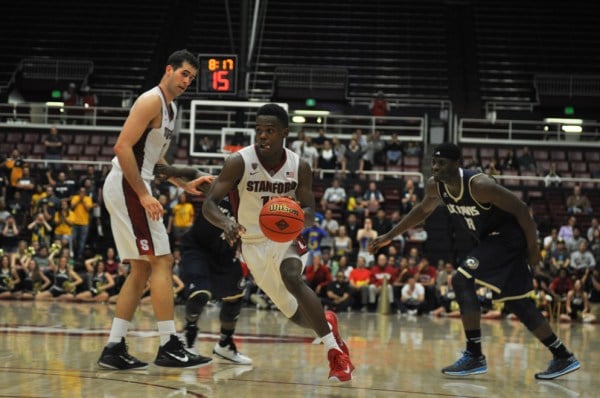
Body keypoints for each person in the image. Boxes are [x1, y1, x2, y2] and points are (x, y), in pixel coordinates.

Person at [369, 142, 580, 380]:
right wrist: (389, 236)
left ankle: (474, 354)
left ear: (458, 163)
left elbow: (521, 209)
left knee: (460, 279)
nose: (436, 168)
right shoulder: (435, 187)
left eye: (442, 163)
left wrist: (534, 251)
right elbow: (421, 211)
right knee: (519, 305)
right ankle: (562, 355)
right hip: (491, 243)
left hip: (508, 239)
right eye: (434, 163)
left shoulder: (479, 185)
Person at [202, 103, 354, 382]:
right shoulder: (239, 161)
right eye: (258, 130)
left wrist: (295, 215)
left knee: (292, 277)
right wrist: (226, 223)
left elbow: (310, 212)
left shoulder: (300, 166)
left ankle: (335, 353)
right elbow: (209, 203)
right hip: (252, 243)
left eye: (269, 131)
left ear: (285, 132)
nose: (262, 136)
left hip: (286, 236)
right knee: (296, 316)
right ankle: (327, 321)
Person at [97, 49, 212, 370]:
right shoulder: (151, 100)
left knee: (142, 268)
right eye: (184, 73)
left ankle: (114, 347)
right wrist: (144, 194)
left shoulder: (171, 110)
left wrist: (183, 184)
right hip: (127, 186)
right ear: (169, 70)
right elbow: (122, 147)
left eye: (191, 77)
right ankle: (169, 345)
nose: (187, 80)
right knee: (163, 261)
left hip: (131, 185)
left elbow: (153, 162)